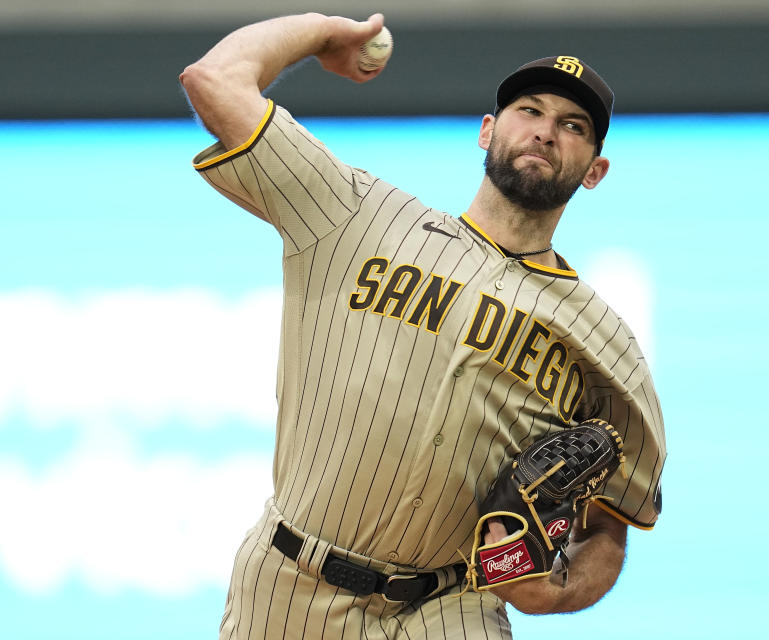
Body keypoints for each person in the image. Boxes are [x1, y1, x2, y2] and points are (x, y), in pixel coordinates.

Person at [179, 12, 666, 640]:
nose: (546, 132)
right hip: (289, 584)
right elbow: (216, 79)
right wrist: (326, 32)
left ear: (594, 169)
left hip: (450, 604)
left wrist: (555, 590)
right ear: (488, 130)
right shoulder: (355, 213)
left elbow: (610, 523)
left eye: (573, 125)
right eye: (530, 110)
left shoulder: (604, 340)